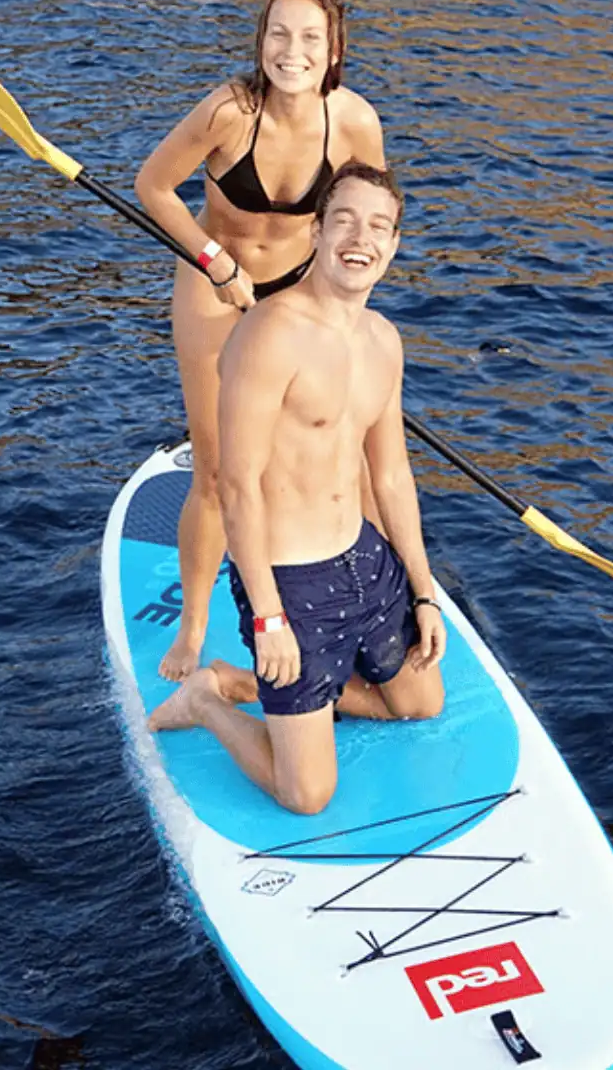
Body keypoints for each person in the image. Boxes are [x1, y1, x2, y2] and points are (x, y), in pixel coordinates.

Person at [147, 163, 444, 816]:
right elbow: (236, 485)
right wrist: (268, 614)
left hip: (366, 560)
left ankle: (257, 686)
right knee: (307, 795)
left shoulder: (382, 342)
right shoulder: (269, 335)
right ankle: (204, 700)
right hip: (294, 583)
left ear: (393, 246)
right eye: (343, 220)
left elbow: (391, 476)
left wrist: (423, 591)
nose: (358, 238)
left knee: (421, 704)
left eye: (378, 226)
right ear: (315, 232)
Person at [135, 0, 387, 685]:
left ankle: (370, 594)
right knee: (218, 472)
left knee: (345, 452)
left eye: (310, 38)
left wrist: (347, 307)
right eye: (278, 33)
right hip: (215, 286)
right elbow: (152, 185)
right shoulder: (227, 111)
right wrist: (215, 261)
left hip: (303, 294)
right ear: (260, 39)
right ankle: (192, 625)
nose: (291, 51)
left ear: (335, 50)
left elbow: (369, 221)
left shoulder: (356, 124)